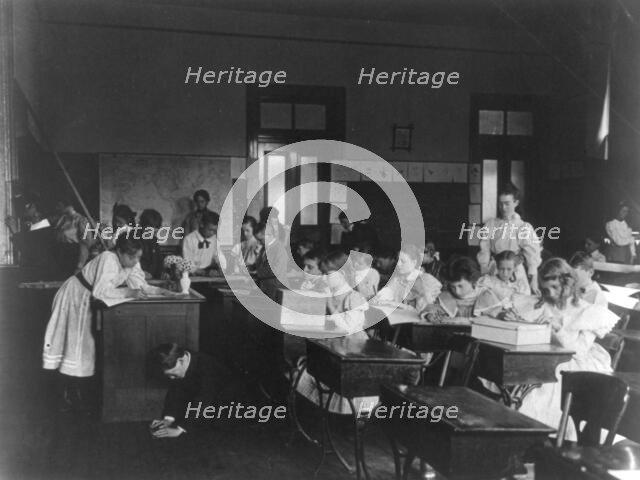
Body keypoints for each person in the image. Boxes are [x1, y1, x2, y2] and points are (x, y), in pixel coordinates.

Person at [42, 236, 179, 407]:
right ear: (119, 252)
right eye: (132, 257)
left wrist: (163, 291)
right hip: (75, 296)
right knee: (71, 345)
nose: (136, 261)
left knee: (84, 348)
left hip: (88, 300)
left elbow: (141, 286)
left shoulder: (131, 261)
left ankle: (75, 391)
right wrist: (129, 293)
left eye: (138, 257)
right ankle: (62, 392)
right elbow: (100, 291)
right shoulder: (108, 258)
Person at [518, 258, 618, 440]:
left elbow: (578, 351)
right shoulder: (545, 305)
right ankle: (522, 434)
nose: (551, 293)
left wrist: (558, 329)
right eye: (546, 289)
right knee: (522, 373)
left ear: (568, 283)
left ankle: (550, 436)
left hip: (575, 362)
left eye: (555, 287)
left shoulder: (588, 311)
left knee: (546, 379)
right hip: (545, 357)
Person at [294, 250, 378, 413]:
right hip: (333, 347)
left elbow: (346, 328)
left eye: (328, 274)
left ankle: (342, 414)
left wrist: (330, 305)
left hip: (353, 350)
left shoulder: (354, 298)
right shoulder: (329, 294)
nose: (324, 278)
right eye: (323, 273)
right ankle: (320, 410)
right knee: (306, 370)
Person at [148, 343, 227, 438]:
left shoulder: (207, 366)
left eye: (173, 374)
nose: (172, 378)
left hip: (228, 409)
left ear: (181, 361)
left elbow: (204, 399)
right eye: (168, 376)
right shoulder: (177, 360)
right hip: (200, 409)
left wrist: (180, 430)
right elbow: (174, 392)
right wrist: (168, 419)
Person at [477, 183, 542, 295]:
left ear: (516, 203)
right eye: (500, 204)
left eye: (507, 204)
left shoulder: (523, 227)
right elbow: (484, 250)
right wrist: (484, 271)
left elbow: (532, 256)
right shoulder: (491, 224)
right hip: (495, 268)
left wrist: (534, 281)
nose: (503, 208)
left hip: (515, 270)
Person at [376, 244, 441, 313]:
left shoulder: (426, 281)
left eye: (403, 261)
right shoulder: (396, 280)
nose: (398, 264)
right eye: (398, 260)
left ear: (414, 262)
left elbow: (428, 310)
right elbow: (383, 297)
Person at [5, 197, 57, 280]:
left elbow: (27, 251)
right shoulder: (33, 228)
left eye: (30, 206)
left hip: (38, 274)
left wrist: (14, 230)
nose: (26, 207)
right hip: (32, 273)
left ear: (38, 213)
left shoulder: (44, 230)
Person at [422, 256, 487, 320]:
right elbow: (433, 310)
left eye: (460, 286)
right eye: (453, 286)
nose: (457, 291)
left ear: (472, 281)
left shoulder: (484, 296)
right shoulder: (446, 297)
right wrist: (430, 315)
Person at [53, 198, 93, 276]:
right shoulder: (62, 219)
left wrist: (80, 264)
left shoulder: (81, 220)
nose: (57, 208)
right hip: (61, 254)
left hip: (74, 255)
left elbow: (85, 243)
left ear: (69, 206)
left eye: (59, 206)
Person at [182, 211, 227, 276]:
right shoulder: (189, 239)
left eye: (215, 231)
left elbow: (219, 256)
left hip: (208, 272)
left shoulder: (214, 239)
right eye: (210, 230)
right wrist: (202, 272)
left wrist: (222, 269)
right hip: (192, 274)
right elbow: (188, 263)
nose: (213, 233)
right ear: (202, 224)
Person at [255, 222, 288, 299]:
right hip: (265, 288)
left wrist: (256, 272)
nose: (258, 242)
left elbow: (276, 271)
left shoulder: (279, 248)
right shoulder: (264, 248)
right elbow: (262, 265)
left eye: (260, 239)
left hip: (276, 289)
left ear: (269, 235)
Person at [139, 209, 164, 279]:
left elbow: (159, 263)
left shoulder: (154, 241)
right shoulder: (133, 240)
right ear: (142, 225)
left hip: (153, 281)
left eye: (154, 231)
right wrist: (141, 273)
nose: (151, 234)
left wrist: (162, 273)